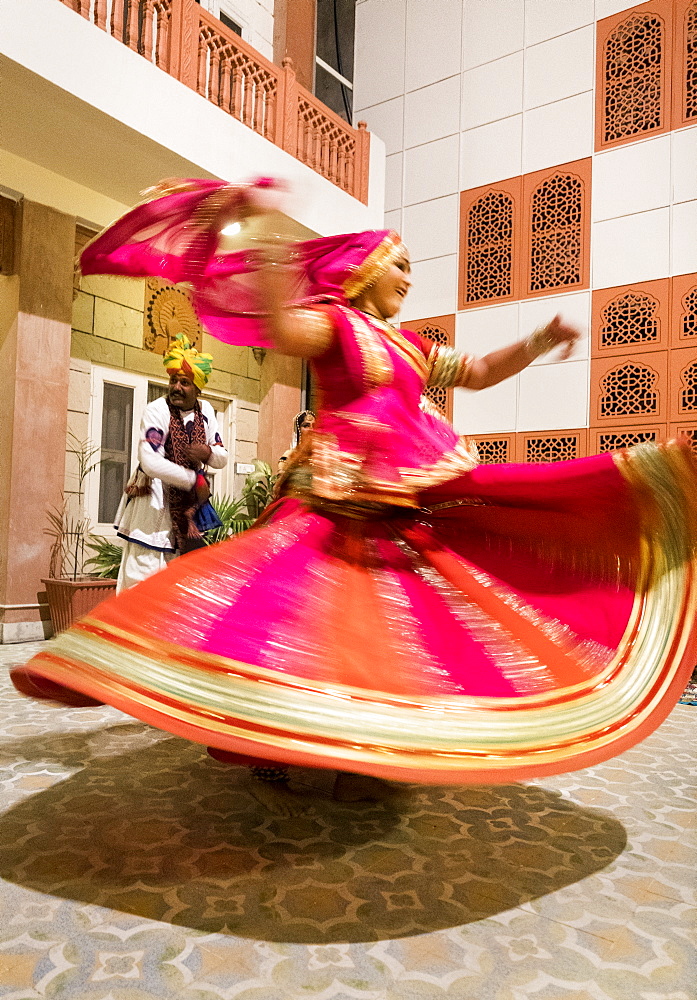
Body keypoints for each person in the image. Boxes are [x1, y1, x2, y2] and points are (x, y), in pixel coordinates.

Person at [12, 180, 697, 809]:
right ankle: (267, 738)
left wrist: (540, 338)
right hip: (326, 506)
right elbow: (284, 331)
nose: (406, 278)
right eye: (398, 265)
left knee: (385, 636)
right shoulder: (335, 324)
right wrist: (275, 264)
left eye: (408, 270)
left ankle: (359, 757)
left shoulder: (411, 348)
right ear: (365, 271)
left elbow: (482, 371)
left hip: (391, 509)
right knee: (287, 625)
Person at [114, 333, 228, 592]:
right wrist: (193, 479)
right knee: (142, 580)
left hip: (188, 512)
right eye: (173, 380)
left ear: (198, 388)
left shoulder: (207, 411)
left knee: (179, 583)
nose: (176, 387)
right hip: (153, 507)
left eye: (184, 382)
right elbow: (150, 461)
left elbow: (222, 457)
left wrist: (208, 453)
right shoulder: (157, 410)